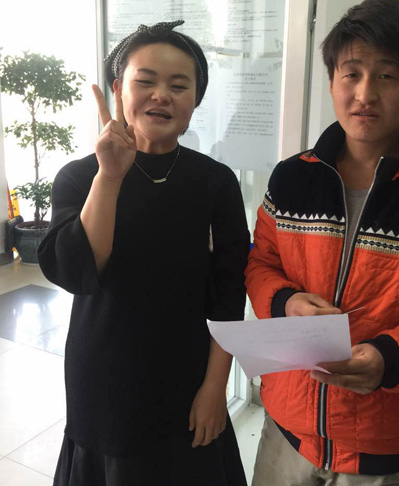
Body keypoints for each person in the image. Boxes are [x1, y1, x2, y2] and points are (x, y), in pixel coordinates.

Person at [245, 1, 399, 485]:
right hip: (285, 428)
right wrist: (286, 302)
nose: (365, 94)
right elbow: (261, 264)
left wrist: (389, 359)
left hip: (381, 443)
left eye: (386, 76)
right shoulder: (291, 179)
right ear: (332, 80)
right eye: (352, 73)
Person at [38, 20, 249, 486]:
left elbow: (229, 292)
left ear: (196, 99)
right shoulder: (80, 177)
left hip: (188, 376)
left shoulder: (215, 182)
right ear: (118, 89)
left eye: (179, 85)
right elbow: (75, 271)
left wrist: (216, 387)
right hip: (104, 379)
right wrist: (109, 176)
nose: (161, 96)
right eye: (146, 81)